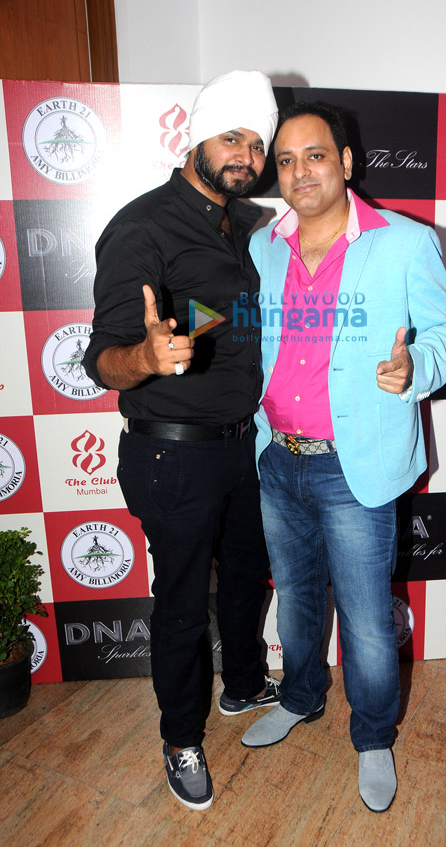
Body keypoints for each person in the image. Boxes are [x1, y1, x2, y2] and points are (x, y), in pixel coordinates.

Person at [240, 101, 446, 813]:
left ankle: (372, 735)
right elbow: (235, 318)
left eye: (314, 155)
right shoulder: (263, 245)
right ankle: (301, 696)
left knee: (367, 621)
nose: (299, 171)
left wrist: (416, 367)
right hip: (277, 458)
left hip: (354, 465)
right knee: (296, 599)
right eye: (285, 160)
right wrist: (183, 326)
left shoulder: (405, 242)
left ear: (344, 161)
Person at [83, 70, 281, 811]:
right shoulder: (143, 226)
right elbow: (101, 358)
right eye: (232, 137)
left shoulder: (251, 224)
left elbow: (233, 312)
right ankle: (179, 738)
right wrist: (146, 355)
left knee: (246, 577)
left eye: (256, 143)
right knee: (181, 601)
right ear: (195, 138)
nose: (246, 155)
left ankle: (243, 685)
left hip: (243, 445)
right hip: (172, 452)